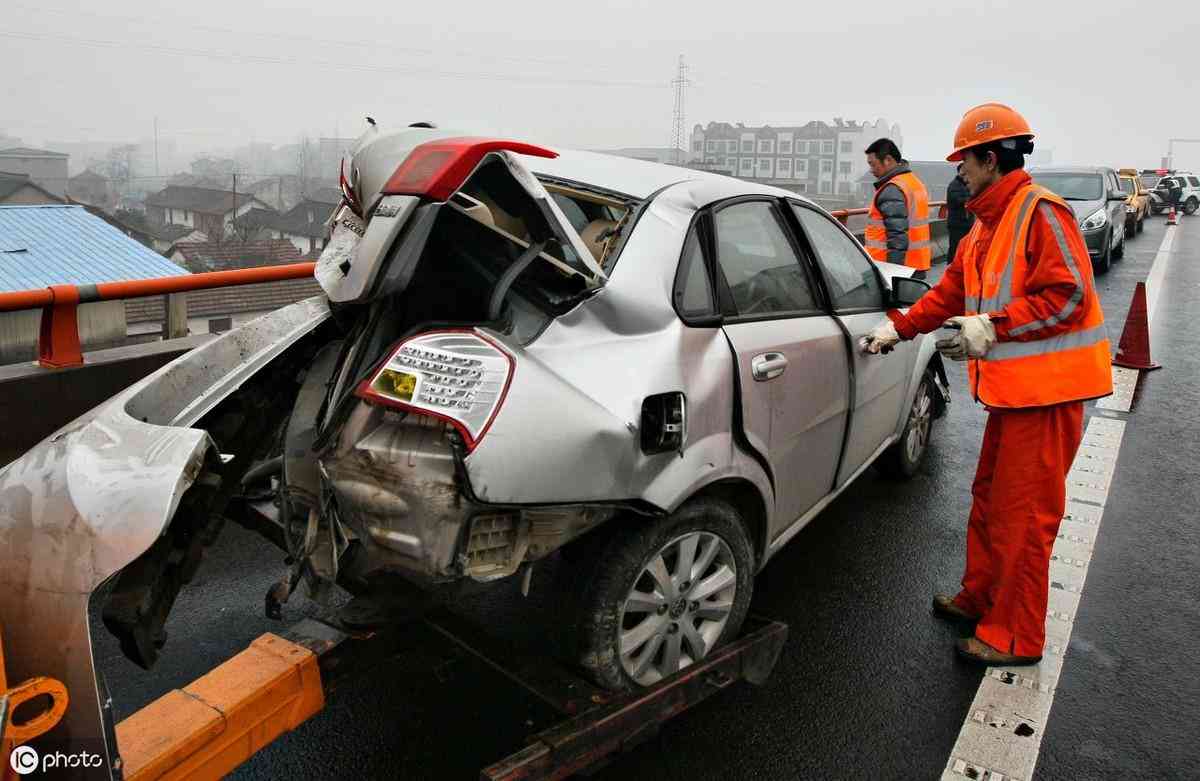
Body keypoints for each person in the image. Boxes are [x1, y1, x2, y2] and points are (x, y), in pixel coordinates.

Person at [861, 103, 1113, 665]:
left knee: (1024, 517)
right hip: (1014, 394)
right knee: (991, 499)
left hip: (1047, 396)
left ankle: (1016, 634)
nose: (960, 173)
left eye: (966, 162)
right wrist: (895, 328)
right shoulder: (987, 223)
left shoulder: (1040, 212)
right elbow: (948, 294)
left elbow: (1067, 296)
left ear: (991, 158)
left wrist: (989, 327)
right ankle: (981, 597)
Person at [864, 138, 932, 279]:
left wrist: (893, 274)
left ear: (888, 160)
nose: (871, 170)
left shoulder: (893, 189)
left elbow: (897, 236)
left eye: (873, 164)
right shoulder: (912, 181)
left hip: (892, 267)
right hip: (915, 263)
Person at [946, 163, 974, 264]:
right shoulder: (955, 185)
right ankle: (950, 267)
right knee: (955, 248)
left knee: (963, 248)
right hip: (957, 224)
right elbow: (959, 200)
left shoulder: (965, 184)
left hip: (966, 223)